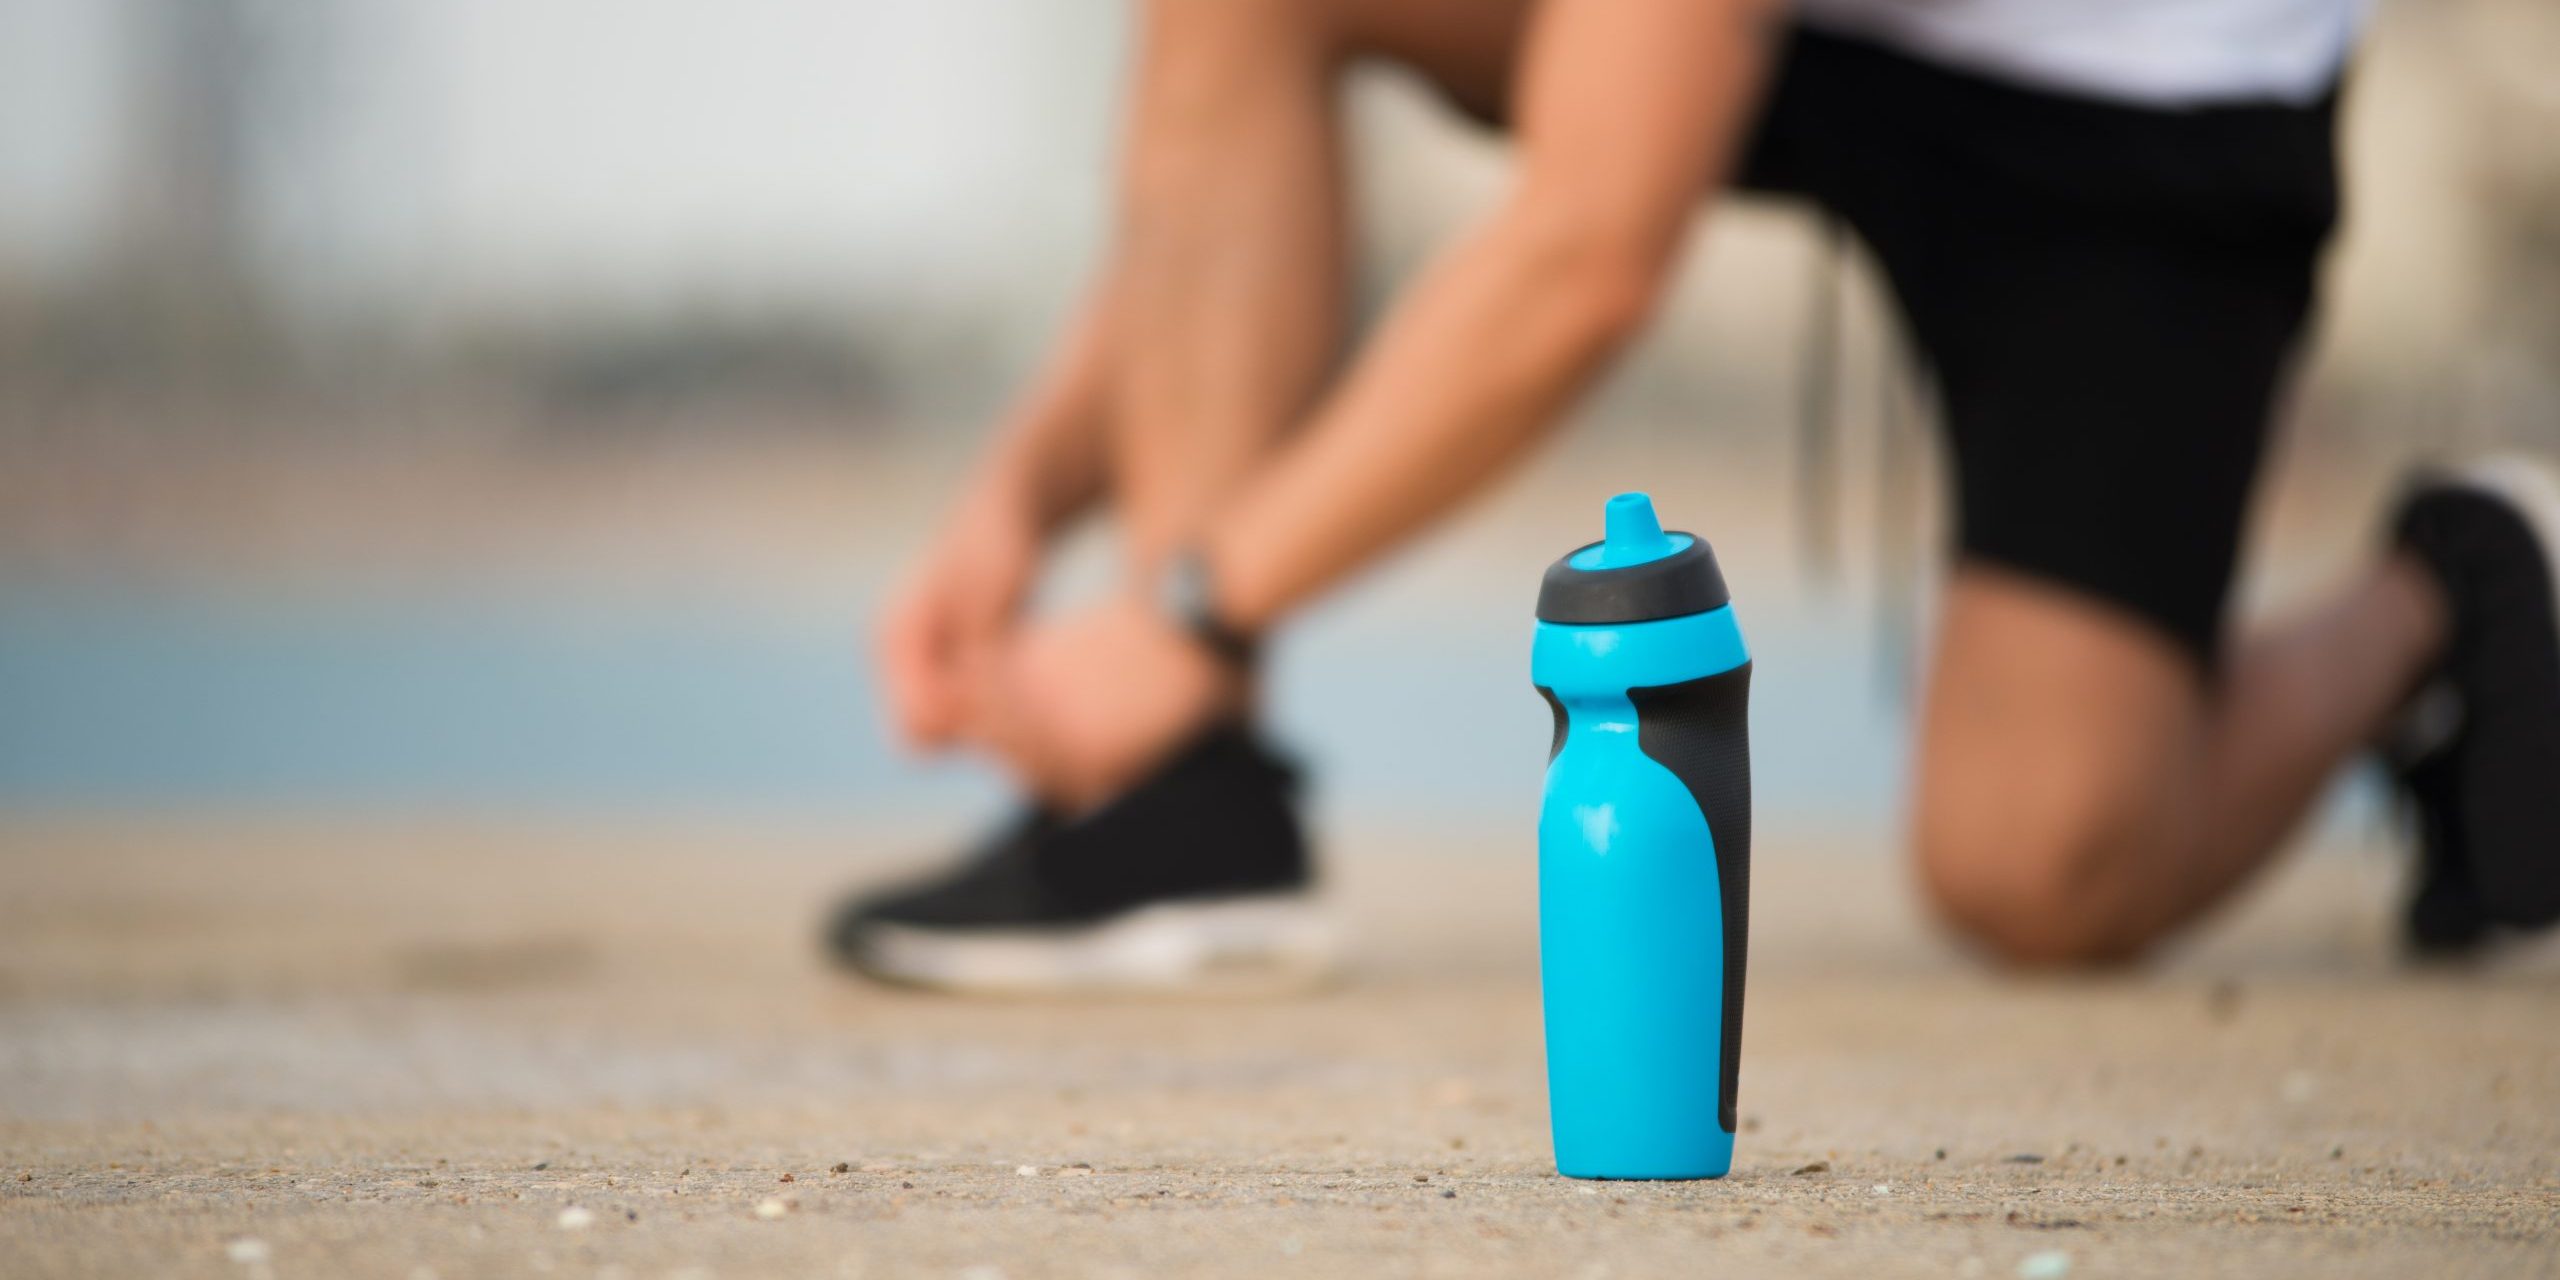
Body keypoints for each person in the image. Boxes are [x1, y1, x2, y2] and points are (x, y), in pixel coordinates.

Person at [831, 0, 2560, 989]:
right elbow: (1221, 202)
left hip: (2132, 98)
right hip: (1822, 38)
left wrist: (1192, 615)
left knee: (2043, 875)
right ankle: (1178, 805)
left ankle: (2458, 585)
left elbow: (1588, 253)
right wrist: (1023, 491)